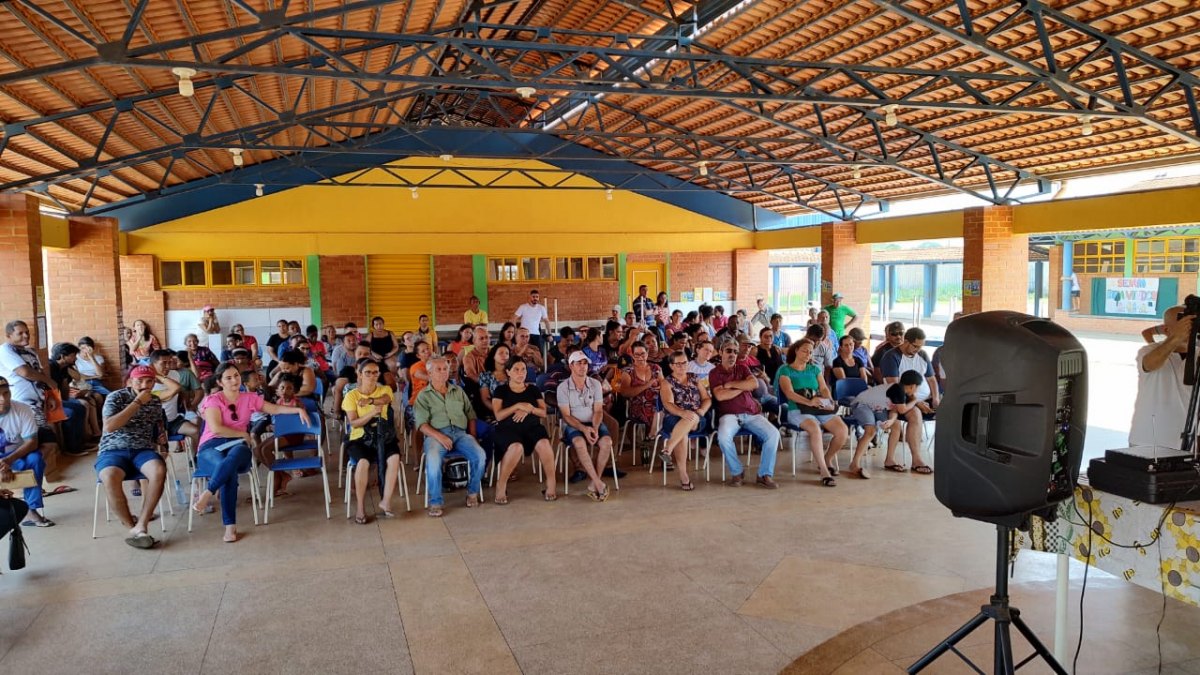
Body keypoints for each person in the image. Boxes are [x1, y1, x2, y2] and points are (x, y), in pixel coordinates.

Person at [191, 363, 311, 542]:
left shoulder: (249, 397)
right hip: (211, 445)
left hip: (237, 445)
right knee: (228, 472)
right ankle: (230, 526)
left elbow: (274, 408)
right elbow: (216, 428)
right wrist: (243, 433)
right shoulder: (213, 400)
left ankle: (209, 492)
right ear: (220, 382)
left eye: (236, 376)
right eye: (228, 377)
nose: (234, 380)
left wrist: (298, 409)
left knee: (235, 456)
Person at [96, 365, 170, 549]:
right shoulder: (116, 397)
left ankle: (142, 524)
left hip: (142, 449)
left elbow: (158, 426)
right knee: (109, 477)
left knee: (159, 470)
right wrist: (136, 402)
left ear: (154, 383)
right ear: (130, 381)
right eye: (139, 380)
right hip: (112, 449)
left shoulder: (154, 401)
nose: (144, 384)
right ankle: (133, 528)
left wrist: (163, 444)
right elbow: (109, 426)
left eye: (149, 381)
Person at [413, 356, 486, 518]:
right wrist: (440, 436)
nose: (443, 372)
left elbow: (470, 415)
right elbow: (422, 425)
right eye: (438, 369)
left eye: (445, 369)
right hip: (435, 435)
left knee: (480, 455)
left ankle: (472, 492)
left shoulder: (458, 391)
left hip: (460, 433)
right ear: (429, 373)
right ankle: (436, 501)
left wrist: (472, 437)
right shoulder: (423, 395)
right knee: (433, 459)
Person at [710, 338, 780, 488]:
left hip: (751, 413)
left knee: (773, 434)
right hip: (729, 415)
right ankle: (737, 472)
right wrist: (743, 387)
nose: (732, 355)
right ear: (721, 352)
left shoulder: (742, 368)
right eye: (729, 351)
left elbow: (754, 384)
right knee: (723, 438)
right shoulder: (714, 373)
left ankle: (764, 474)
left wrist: (731, 386)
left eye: (735, 352)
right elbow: (720, 396)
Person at [776, 339, 847, 487]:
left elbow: (824, 388)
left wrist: (829, 400)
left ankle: (827, 458)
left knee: (842, 431)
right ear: (796, 350)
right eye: (805, 350)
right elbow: (789, 393)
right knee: (815, 429)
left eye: (810, 351)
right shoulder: (785, 370)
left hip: (818, 407)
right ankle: (824, 470)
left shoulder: (814, 369)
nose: (808, 354)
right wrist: (809, 402)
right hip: (797, 409)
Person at [343, 359, 403, 524]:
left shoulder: (384, 389)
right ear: (360, 374)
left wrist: (369, 402)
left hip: (382, 435)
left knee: (394, 458)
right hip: (360, 436)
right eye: (367, 372)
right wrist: (370, 414)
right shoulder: (351, 395)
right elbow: (353, 422)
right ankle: (361, 508)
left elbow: (385, 399)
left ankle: (386, 500)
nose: (372, 376)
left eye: (375, 372)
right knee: (362, 462)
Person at [491, 359, 556, 504]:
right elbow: (499, 415)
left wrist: (529, 409)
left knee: (544, 444)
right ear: (508, 372)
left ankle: (551, 483)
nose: (521, 373)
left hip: (532, 427)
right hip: (507, 429)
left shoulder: (533, 389)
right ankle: (501, 484)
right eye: (516, 370)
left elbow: (543, 413)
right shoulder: (501, 390)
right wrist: (518, 406)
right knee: (516, 447)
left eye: (523, 370)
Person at [1130, 305, 1195, 449]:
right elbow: (1150, 364)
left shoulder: (1197, 354)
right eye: (1183, 324)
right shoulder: (1148, 350)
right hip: (1148, 442)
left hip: (1187, 443)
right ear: (1166, 329)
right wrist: (1176, 338)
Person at [844, 371, 922, 480]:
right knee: (871, 431)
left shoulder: (900, 390)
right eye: (917, 388)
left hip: (876, 407)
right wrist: (915, 401)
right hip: (862, 404)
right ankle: (854, 464)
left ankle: (889, 460)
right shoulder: (898, 390)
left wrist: (890, 421)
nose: (916, 390)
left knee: (896, 425)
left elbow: (894, 410)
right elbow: (902, 409)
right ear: (913, 386)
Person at [880, 327, 937, 474]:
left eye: (920, 347)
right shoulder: (891, 356)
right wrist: (917, 402)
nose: (918, 350)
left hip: (921, 399)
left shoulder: (923, 355)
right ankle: (917, 460)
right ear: (906, 341)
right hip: (897, 400)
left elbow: (931, 379)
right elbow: (895, 387)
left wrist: (936, 398)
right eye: (915, 346)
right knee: (916, 414)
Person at [557, 351, 613, 501]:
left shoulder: (595, 384)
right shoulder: (563, 387)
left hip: (593, 421)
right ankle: (597, 483)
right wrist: (583, 429)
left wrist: (594, 428)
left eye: (585, 363)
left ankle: (595, 482)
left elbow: (598, 410)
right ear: (571, 366)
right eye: (579, 363)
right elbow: (567, 416)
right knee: (580, 443)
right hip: (573, 423)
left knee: (607, 442)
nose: (583, 366)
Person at [0, 321, 59, 457]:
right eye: (20, 333)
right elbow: (25, 372)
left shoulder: (31, 351)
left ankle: (34, 468)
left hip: (39, 401)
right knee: (39, 440)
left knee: (46, 441)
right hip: (23, 403)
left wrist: (49, 395)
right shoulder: (5, 350)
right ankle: (22, 468)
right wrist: (50, 381)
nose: (26, 335)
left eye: (27, 332)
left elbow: (39, 373)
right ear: (8, 335)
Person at [0, 376, 53, 526]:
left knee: (35, 460)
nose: (3, 399)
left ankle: (30, 508)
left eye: (6, 393)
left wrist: (8, 462)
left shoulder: (22, 409)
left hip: (15, 454)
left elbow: (32, 442)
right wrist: (2, 466)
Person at [660, 350, 710, 490]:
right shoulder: (667, 382)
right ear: (671, 366)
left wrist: (701, 411)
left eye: (684, 363)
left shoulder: (695, 378)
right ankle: (683, 476)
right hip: (673, 417)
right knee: (683, 434)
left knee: (692, 417)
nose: (682, 366)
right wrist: (682, 412)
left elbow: (706, 399)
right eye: (678, 364)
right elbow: (667, 404)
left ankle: (668, 449)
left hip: (698, 418)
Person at [619, 342, 662, 432]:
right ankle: (651, 436)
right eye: (636, 354)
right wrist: (647, 385)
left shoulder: (656, 368)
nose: (640, 357)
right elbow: (625, 393)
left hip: (656, 402)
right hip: (638, 405)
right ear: (632, 355)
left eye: (642, 354)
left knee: (667, 409)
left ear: (647, 353)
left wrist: (660, 387)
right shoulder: (628, 371)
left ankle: (653, 436)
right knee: (655, 411)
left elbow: (664, 385)